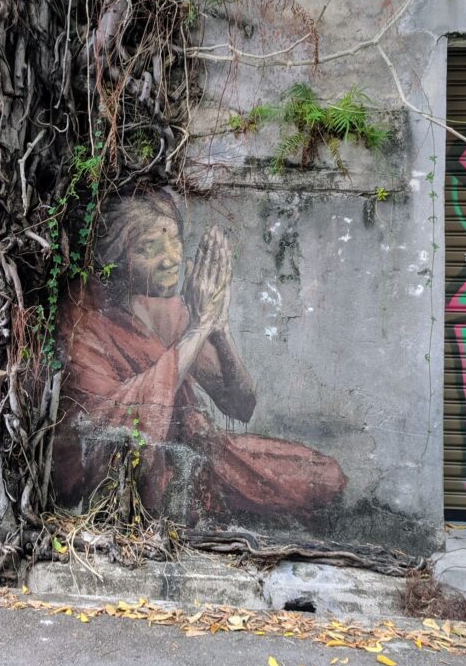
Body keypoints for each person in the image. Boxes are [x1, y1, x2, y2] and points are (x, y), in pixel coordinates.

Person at [54, 190, 346, 520]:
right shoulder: (83, 320)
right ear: (115, 261)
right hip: (134, 473)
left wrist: (218, 330)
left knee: (323, 475)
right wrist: (199, 326)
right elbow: (114, 428)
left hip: (200, 453)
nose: (171, 259)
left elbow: (240, 405)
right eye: (147, 249)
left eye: (174, 241)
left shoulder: (169, 307)